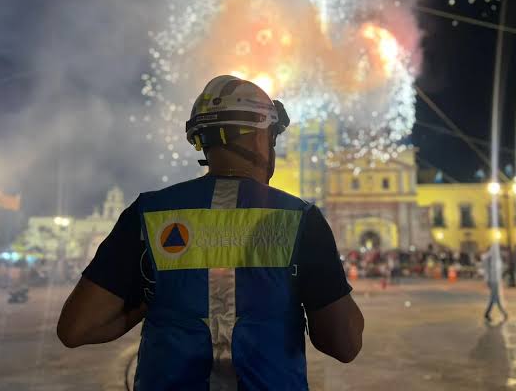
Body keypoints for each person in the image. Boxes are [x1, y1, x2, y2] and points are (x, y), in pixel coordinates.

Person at [56, 75, 364, 390]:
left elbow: (76, 328)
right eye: (272, 137)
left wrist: (155, 297)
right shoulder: (300, 219)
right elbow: (344, 344)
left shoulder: (148, 214)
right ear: (259, 137)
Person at [482, 243, 508, 322]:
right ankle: (502, 313)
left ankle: (489, 313)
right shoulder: (489, 257)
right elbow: (488, 269)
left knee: (495, 297)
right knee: (495, 297)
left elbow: (498, 269)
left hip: (495, 280)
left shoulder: (494, 258)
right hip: (492, 280)